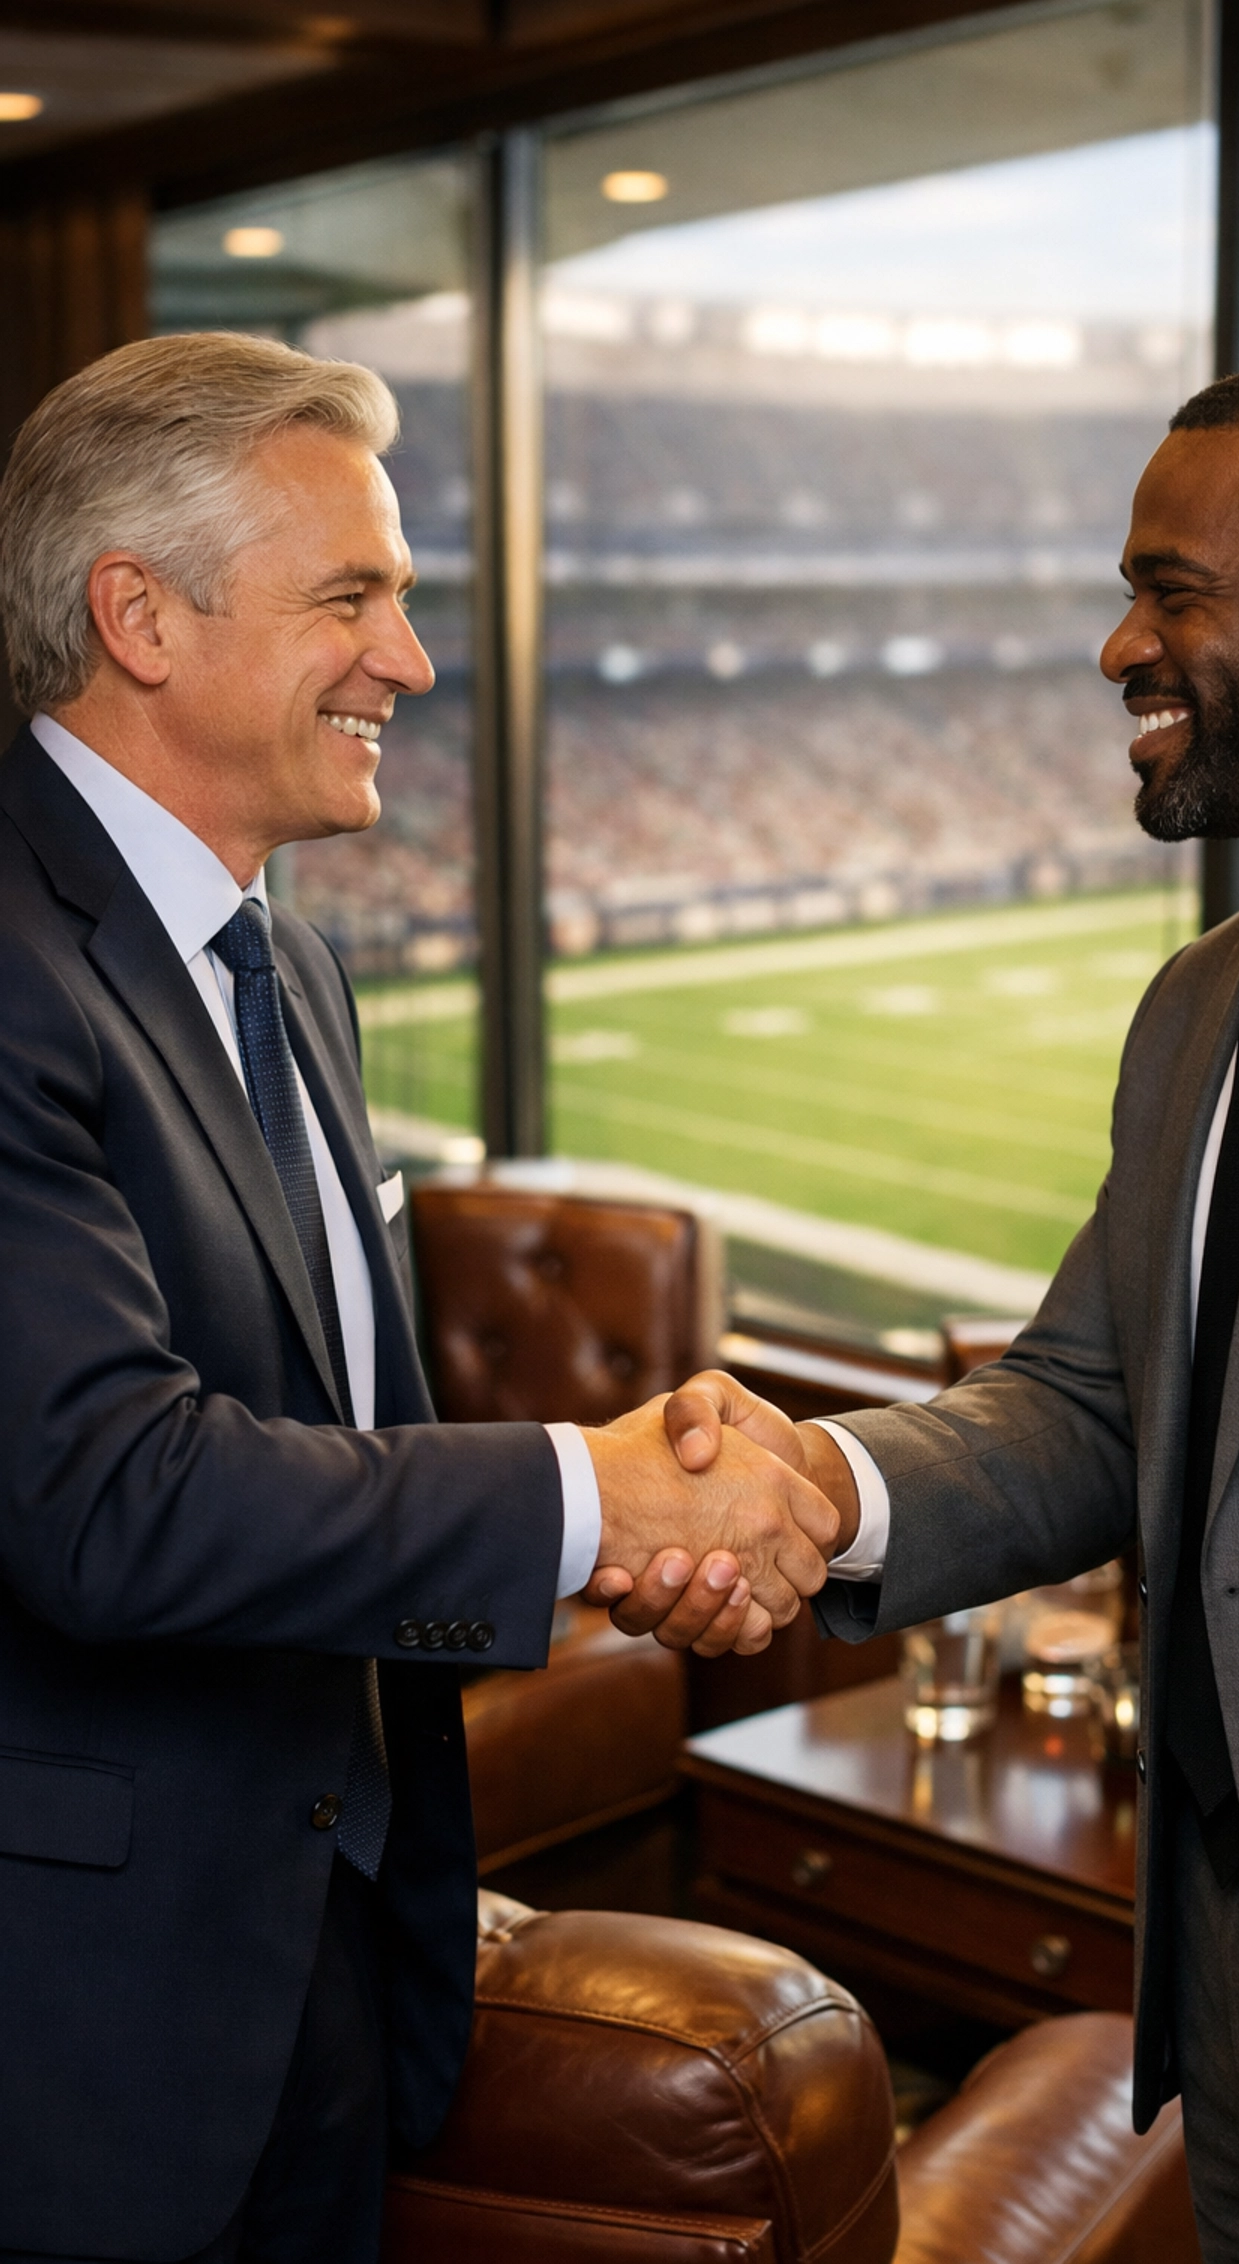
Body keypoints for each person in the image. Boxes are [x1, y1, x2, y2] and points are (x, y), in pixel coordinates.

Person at [623, 351, 1239, 2259]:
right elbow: (1091, 1402)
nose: (1124, 643)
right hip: (1230, 1988)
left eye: (1175, 588)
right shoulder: (1206, 996)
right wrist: (816, 1483)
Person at [0, 332, 838, 2264]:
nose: (411, 660)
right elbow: (104, 1496)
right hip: (81, 2038)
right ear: (140, 614)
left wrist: (607, 1547)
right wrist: (602, 1496)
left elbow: (335, 1447)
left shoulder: (287, 970)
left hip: (329, 1961)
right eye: (353, 596)